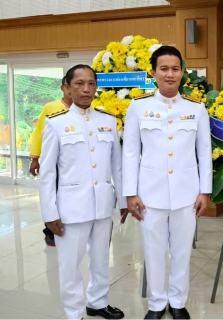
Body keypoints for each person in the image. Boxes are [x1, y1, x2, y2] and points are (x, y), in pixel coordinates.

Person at [122, 46, 212, 320]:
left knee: (182, 252)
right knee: (153, 251)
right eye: (164, 68)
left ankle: (177, 302)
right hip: (150, 195)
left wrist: (205, 191)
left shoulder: (196, 109)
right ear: (153, 72)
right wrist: (130, 193)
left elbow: (204, 151)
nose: (170, 74)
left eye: (175, 69)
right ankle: (157, 305)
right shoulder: (138, 107)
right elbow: (130, 153)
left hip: (187, 194)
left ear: (182, 72)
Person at [39, 64, 128, 320]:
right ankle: (73, 313)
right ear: (67, 88)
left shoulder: (108, 121)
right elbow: (48, 173)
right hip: (70, 209)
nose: (86, 89)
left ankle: (97, 303)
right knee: (70, 266)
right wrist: (49, 211)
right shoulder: (56, 124)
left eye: (91, 83)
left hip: (102, 205)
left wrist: (122, 200)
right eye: (79, 83)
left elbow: (117, 166)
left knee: (101, 259)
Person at [30, 76, 73, 246]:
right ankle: (50, 230)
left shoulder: (86, 108)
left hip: (73, 163)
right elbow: (39, 133)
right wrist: (35, 158)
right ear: (64, 87)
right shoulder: (51, 107)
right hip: (54, 161)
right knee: (52, 194)